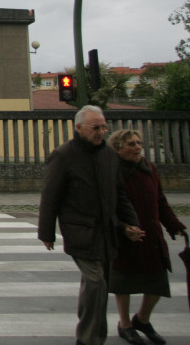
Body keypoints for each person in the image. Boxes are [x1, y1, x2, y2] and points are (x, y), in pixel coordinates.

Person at [38, 105, 144, 345]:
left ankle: (96, 335)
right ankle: (87, 339)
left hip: (106, 231)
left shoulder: (108, 154)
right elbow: (50, 195)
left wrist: (130, 223)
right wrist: (46, 232)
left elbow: (119, 193)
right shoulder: (64, 155)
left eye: (103, 127)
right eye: (95, 127)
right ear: (79, 128)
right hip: (80, 231)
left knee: (98, 286)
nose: (101, 132)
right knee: (96, 283)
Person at [108, 129, 186, 345]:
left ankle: (142, 319)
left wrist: (174, 225)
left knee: (157, 281)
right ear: (118, 148)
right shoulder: (112, 172)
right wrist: (123, 228)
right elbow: (108, 209)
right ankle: (125, 324)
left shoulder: (149, 169)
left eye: (139, 142)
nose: (137, 147)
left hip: (151, 234)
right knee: (123, 282)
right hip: (124, 235)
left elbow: (160, 201)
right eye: (131, 144)